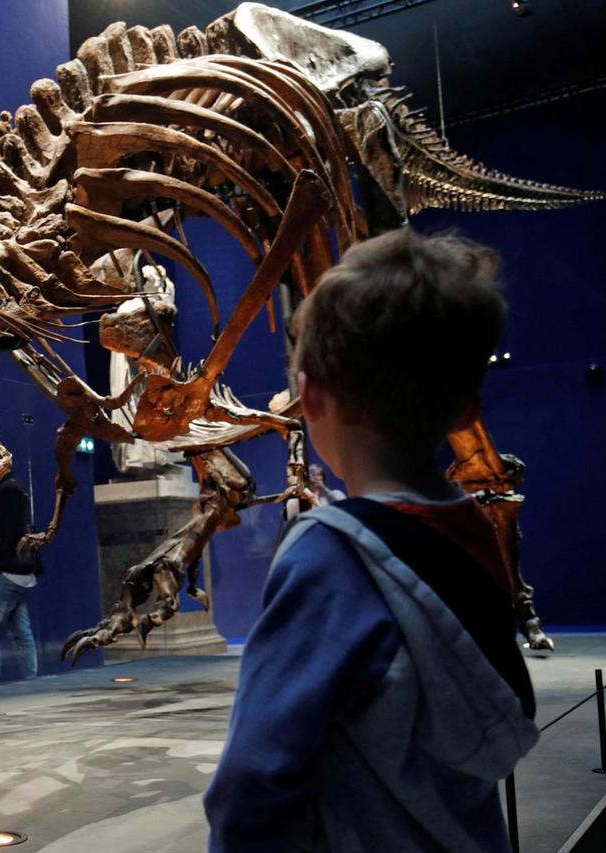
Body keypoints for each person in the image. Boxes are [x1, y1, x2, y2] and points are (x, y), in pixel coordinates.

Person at [204, 229, 538, 852]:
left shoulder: (328, 557)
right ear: (468, 410)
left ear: (307, 397)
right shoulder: (474, 537)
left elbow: (255, 778)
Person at [0, 473, 40, 686]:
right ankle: (31, 681)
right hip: (22, 572)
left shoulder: (6, 492)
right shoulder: (17, 489)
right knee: (22, 631)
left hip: (6, 571)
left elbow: (10, 534)